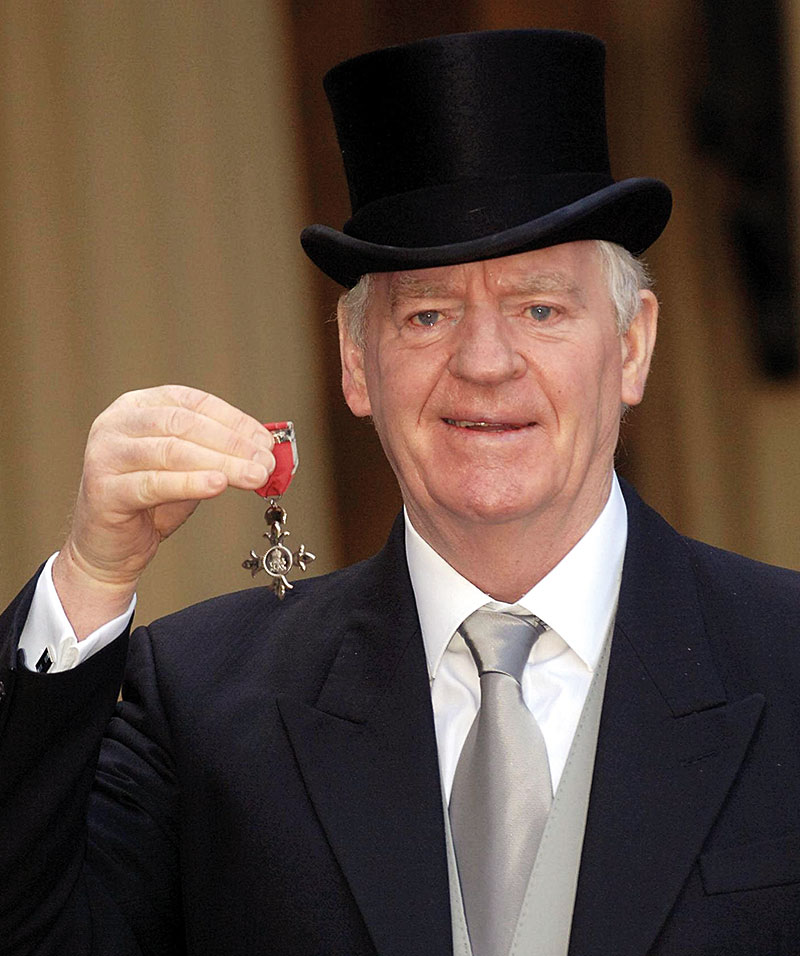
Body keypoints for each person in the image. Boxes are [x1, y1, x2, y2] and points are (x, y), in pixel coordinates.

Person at [1, 28, 799, 956]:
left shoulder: (786, 659)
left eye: (539, 308)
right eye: (427, 314)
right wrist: (94, 573)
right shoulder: (204, 705)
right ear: (354, 361)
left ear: (630, 346)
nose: (485, 363)